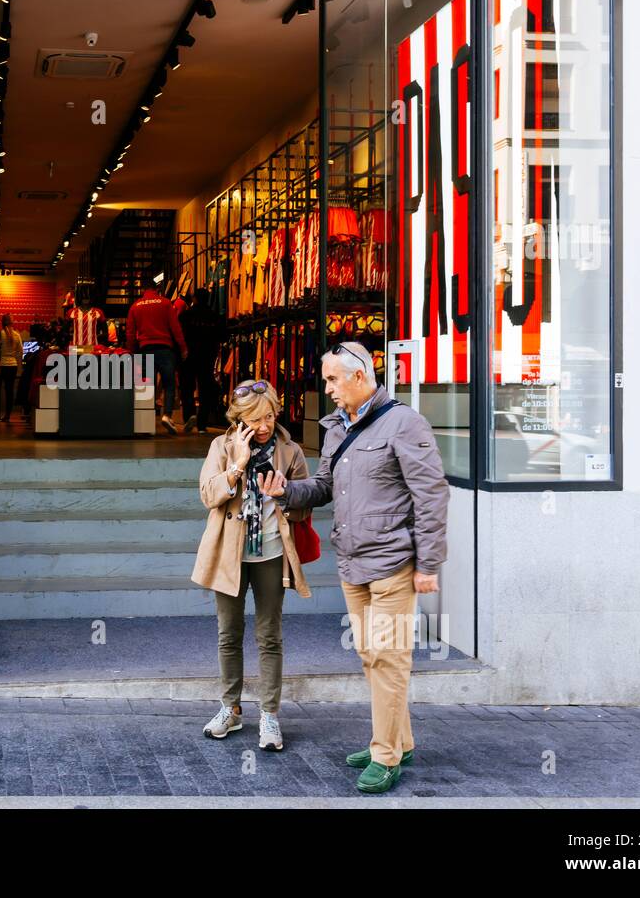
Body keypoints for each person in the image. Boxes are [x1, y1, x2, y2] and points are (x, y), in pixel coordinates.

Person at [259, 341, 449, 793]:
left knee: (390, 658)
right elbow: (323, 486)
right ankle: (397, 739)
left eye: (332, 380)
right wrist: (286, 492)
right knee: (370, 656)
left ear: (359, 378)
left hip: (394, 564)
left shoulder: (405, 423)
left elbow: (432, 495)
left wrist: (428, 562)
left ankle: (385, 757)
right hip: (353, 564)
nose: (327, 390)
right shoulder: (337, 429)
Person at [192, 379, 314, 752]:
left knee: (269, 635)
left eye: (270, 416)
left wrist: (285, 495)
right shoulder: (221, 446)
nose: (264, 425)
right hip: (230, 553)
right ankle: (230, 708)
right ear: (240, 417)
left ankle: (270, 715)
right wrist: (236, 468)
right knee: (228, 634)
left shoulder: (291, 451)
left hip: (272, 553)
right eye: (256, 418)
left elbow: (307, 499)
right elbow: (207, 495)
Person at [127, 273, 188, 435]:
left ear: (143, 289)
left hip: (145, 348)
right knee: (169, 384)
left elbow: (130, 333)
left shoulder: (136, 306)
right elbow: (176, 329)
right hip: (165, 349)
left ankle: (146, 419)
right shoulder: (166, 303)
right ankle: (167, 415)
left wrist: (131, 351)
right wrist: (183, 348)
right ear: (157, 288)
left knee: (148, 385)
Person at [179, 288, 227, 433]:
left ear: (194, 299)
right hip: (208, 356)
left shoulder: (186, 316)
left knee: (187, 386)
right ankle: (202, 423)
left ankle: (189, 416)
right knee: (205, 388)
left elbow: (179, 335)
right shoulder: (215, 317)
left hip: (189, 356)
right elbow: (223, 336)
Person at [0, 313, 23, 421]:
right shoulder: (17, 335)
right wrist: (14, 358)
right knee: (9, 391)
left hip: (0, 366)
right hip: (12, 365)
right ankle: (7, 415)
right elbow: (20, 351)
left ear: (2, 322)